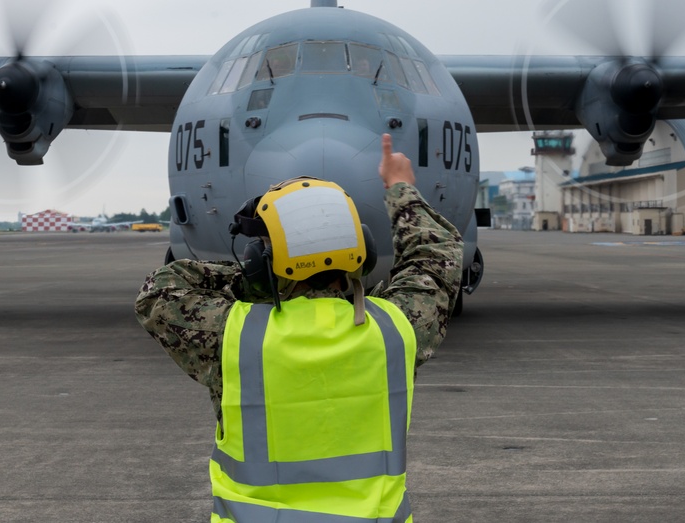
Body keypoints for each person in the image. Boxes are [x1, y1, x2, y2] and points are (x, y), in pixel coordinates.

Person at [135, 133, 463, 522]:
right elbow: (435, 255)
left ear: (261, 261)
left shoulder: (233, 337)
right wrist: (401, 189)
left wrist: (255, 277)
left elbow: (161, 290)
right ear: (363, 248)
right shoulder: (396, 329)